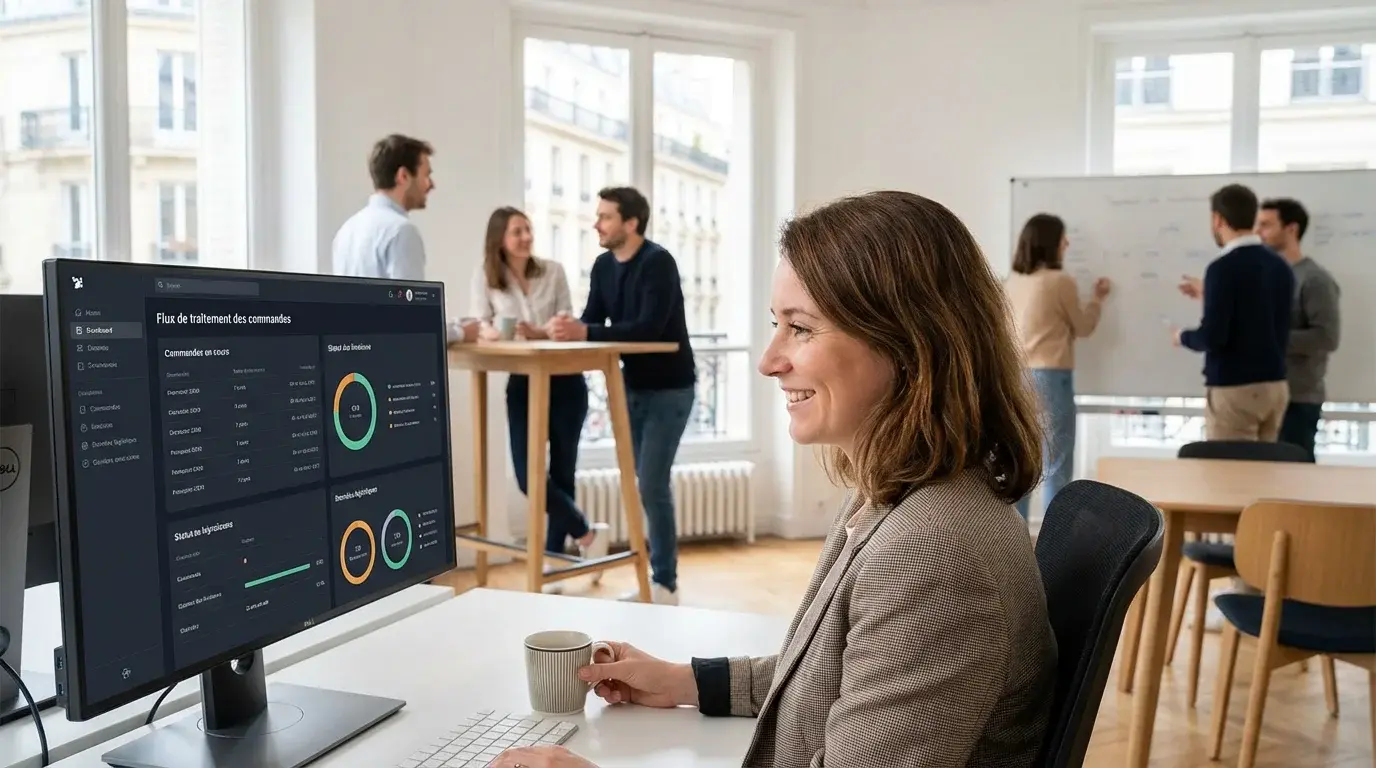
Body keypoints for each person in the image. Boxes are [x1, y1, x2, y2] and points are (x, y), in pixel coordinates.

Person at [498, 191, 1058, 768]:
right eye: (776, 324)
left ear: (909, 342)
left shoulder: (932, 551)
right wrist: (684, 680)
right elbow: (828, 677)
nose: (769, 360)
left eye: (800, 328)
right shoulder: (897, 495)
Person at [548, 187, 695, 606]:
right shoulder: (602, 266)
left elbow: (648, 328)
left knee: (651, 483)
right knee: (642, 483)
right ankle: (657, 580)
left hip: (671, 389)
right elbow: (592, 320)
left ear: (631, 223)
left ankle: (665, 583)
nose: (597, 224)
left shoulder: (658, 262)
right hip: (631, 387)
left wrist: (586, 331)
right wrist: (565, 328)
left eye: (605, 217)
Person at [469, 207, 608, 575]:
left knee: (563, 473)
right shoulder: (486, 276)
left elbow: (566, 324)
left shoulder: (553, 271)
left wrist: (539, 331)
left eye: (528, 229)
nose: (526, 237)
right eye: (518, 231)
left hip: (566, 380)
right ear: (500, 238)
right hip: (522, 381)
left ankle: (553, 559)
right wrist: (491, 332)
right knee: (526, 474)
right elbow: (480, 323)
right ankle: (586, 532)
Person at [1003, 213, 1109, 521]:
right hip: (1049, 376)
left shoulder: (1012, 282)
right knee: (1057, 466)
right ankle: (1055, 541)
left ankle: (1015, 541)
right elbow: (1083, 327)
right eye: (1063, 238)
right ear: (1051, 243)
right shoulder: (1060, 281)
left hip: (1014, 377)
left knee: (1022, 463)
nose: (1067, 243)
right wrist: (1097, 300)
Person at [1173, 184, 1293, 441]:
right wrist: (1209, 295)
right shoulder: (1280, 265)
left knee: (1229, 467)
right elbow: (1258, 314)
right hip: (1275, 387)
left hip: (1236, 390)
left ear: (1218, 219)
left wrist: (1181, 336)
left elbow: (1213, 337)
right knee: (1265, 465)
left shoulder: (1223, 268)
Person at [331, 133, 477, 342]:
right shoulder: (401, 231)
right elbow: (411, 319)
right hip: (389, 357)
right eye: (426, 175)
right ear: (403, 176)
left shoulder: (346, 230)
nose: (431, 184)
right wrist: (460, 333)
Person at [1254, 197, 1341, 459]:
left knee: (1294, 473)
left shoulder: (1314, 279)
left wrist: (1270, 340)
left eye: (1266, 225)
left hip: (1298, 398)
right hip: (1262, 395)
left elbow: (1326, 338)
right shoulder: (1266, 276)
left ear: (1291, 229)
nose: (1258, 232)